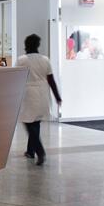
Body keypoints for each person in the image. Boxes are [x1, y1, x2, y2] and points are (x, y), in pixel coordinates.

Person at [16, 34, 62, 166]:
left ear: (26, 45)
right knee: (35, 123)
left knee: (29, 123)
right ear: (38, 45)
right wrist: (57, 97)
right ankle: (30, 151)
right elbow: (51, 80)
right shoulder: (45, 60)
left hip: (29, 94)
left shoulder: (21, 60)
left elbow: (17, 78)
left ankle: (40, 152)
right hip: (43, 94)